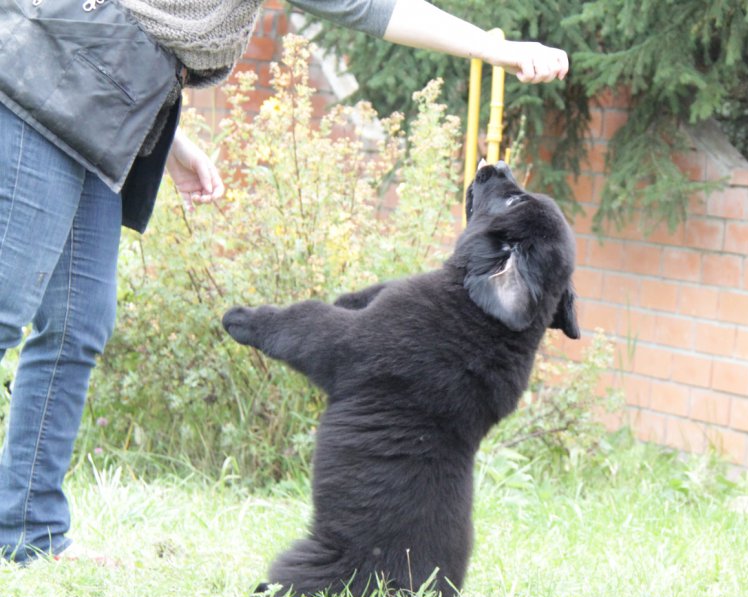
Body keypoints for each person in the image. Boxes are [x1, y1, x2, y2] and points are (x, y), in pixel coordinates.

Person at [0, 0, 568, 564]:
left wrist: (169, 137)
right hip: (45, 81)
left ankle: (29, 531)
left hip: (102, 103)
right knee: (5, 308)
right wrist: (495, 48)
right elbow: (369, 7)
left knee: (78, 325)